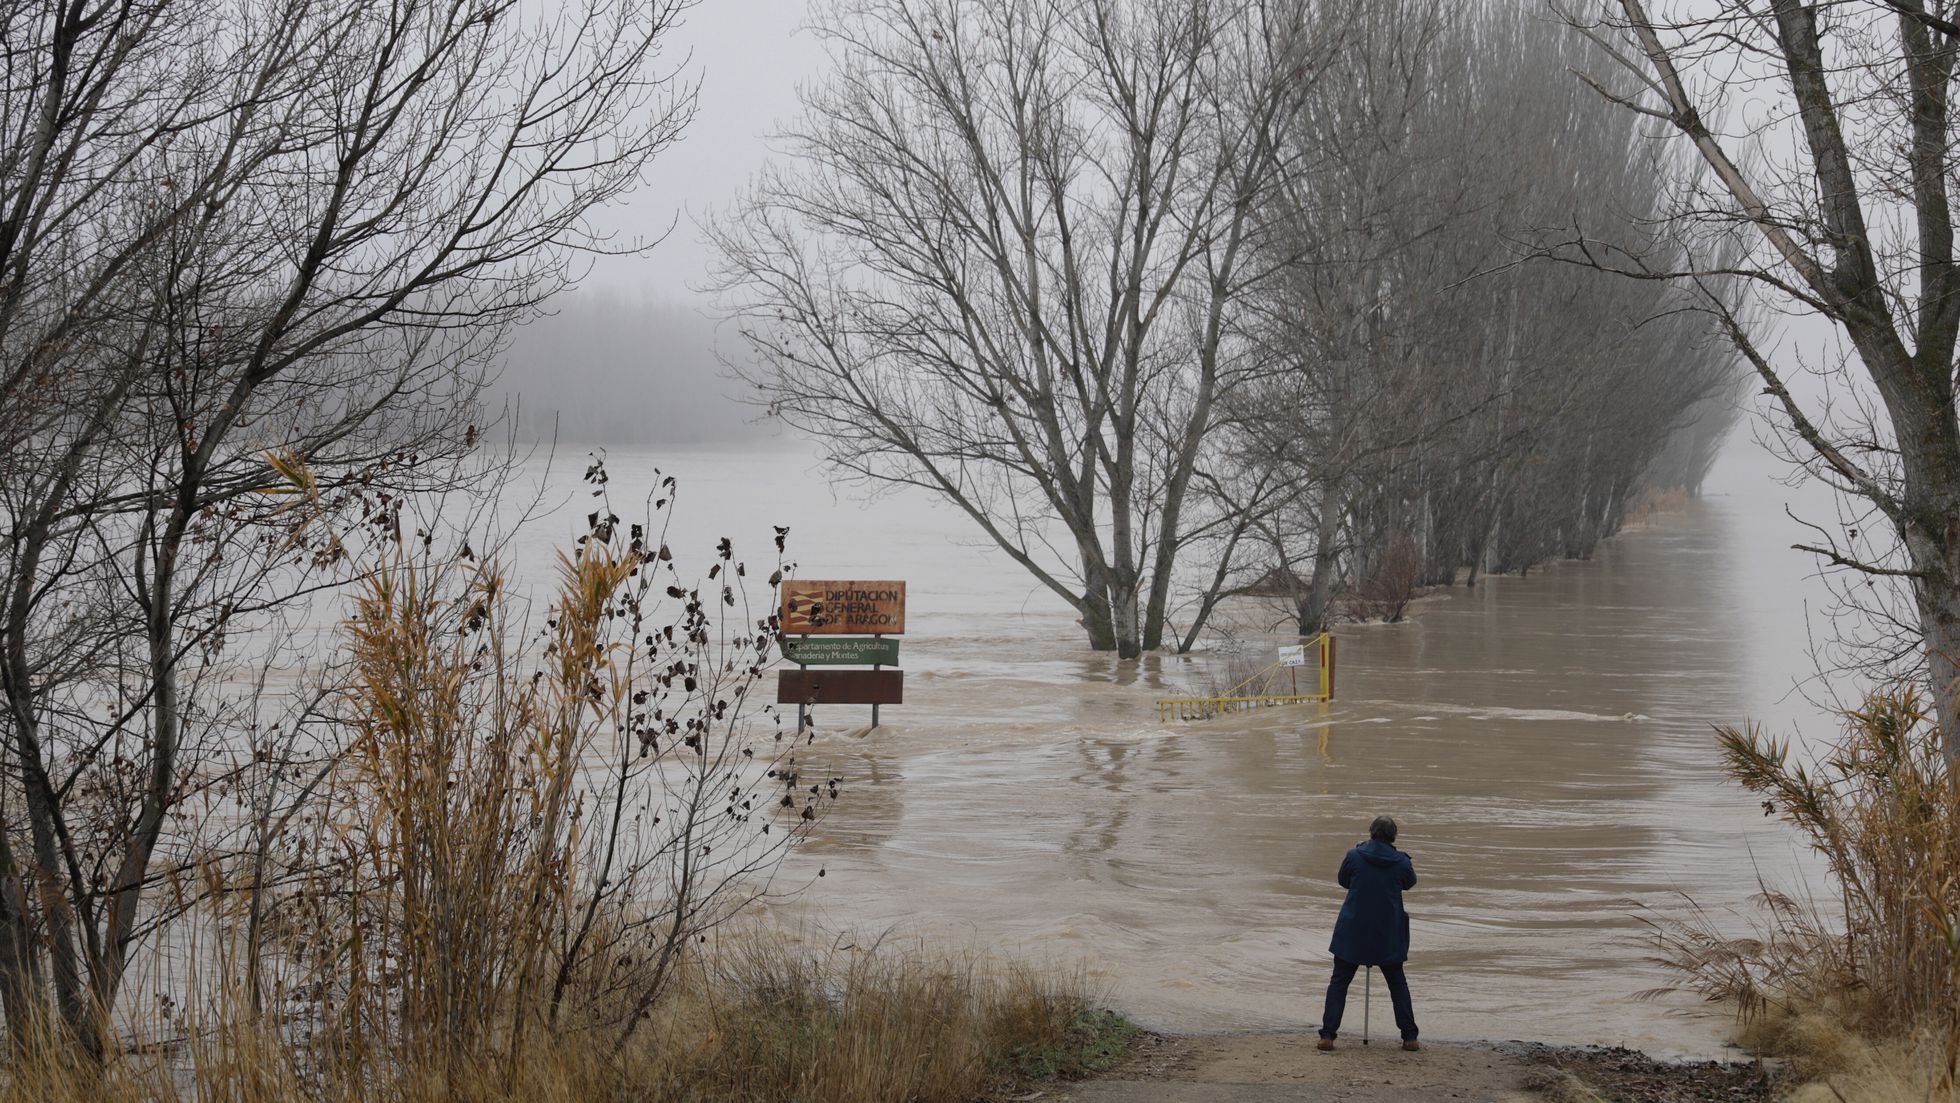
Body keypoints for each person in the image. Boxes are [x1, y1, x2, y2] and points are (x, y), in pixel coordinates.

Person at [1316, 814, 1419, 1052]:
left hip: (1353, 929)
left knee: (1339, 982)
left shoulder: (1354, 855)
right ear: (1393, 836)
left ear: (1371, 832)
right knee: (1397, 983)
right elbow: (1409, 883)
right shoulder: (1401, 862)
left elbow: (1343, 881)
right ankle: (1409, 1037)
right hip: (1388, 932)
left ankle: (1328, 1036)